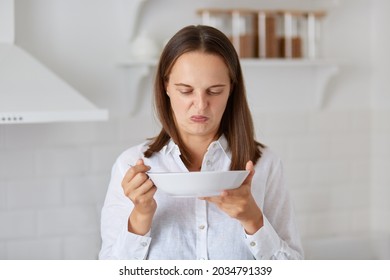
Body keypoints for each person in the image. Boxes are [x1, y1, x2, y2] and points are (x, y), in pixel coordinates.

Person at [99, 25, 303, 260]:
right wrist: (141, 216)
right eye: (186, 90)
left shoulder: (266, 164)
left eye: (214, 91)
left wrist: (253, 220)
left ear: (231, 90)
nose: (200, 104)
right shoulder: (131, 166)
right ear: (166, 87)